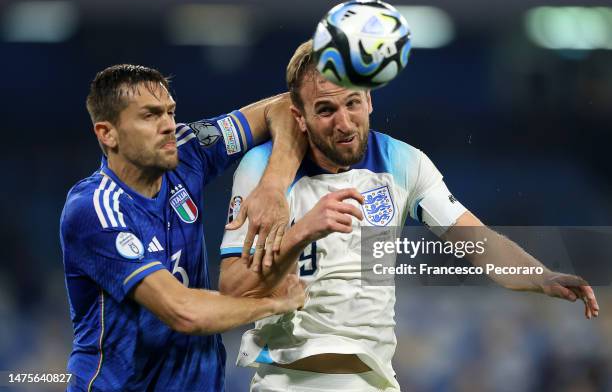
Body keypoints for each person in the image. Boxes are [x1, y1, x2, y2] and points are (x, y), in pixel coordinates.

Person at [218, 40, 600, 392]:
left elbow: (477, 242)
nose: (344, 122)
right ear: (298, 117)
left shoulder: (404, 162)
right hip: (287, 381)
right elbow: (231, 289)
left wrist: (541, 275)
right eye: (325, 110)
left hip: (374, 380)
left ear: (369, 99)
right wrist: (302, 232)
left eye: (352, 103)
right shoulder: (262, 171)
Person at [59, 64, 308, 391]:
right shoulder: (96, 209)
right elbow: (183, 312)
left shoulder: (188, 150)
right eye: (149, 116)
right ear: (107, 133)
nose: (168, 125)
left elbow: (284, 108)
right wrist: (275, 304)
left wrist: (274, 185)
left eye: (170, 112)